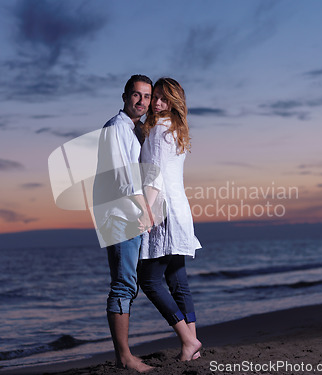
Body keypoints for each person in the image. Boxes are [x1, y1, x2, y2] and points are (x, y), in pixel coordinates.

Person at [138, 77, 202, 361]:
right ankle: (193, 346)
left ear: (173, 102)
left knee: (149, 280)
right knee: (177, 280)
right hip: (180, 210)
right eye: (156, 98)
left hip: (163, 211)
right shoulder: (177, 130)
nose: (157, 103)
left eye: (164, 99)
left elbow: (154, 176)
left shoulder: (158, 131)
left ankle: (188, 341)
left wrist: (146, 213)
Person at [93, 75, 153, 372]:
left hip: (125, 213)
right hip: (120, 215)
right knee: (122, 285)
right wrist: (146, 211)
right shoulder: (117, 128)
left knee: (128, 284)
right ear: (124, 96)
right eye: (136, 95)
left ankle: (125, 355)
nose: (141, 102)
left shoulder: (130, 129)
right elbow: (124, 178)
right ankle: (124, 358)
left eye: (146, 97)